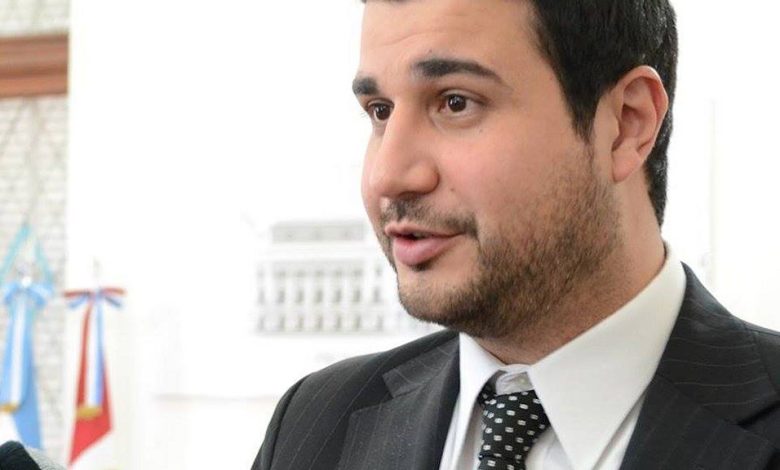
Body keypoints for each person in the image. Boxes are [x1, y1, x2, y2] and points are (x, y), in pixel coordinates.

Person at [252, 0, 780, 468]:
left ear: (626, 123)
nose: (386, 177)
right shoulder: (315, 424)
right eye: (381, 111)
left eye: (455, 102)